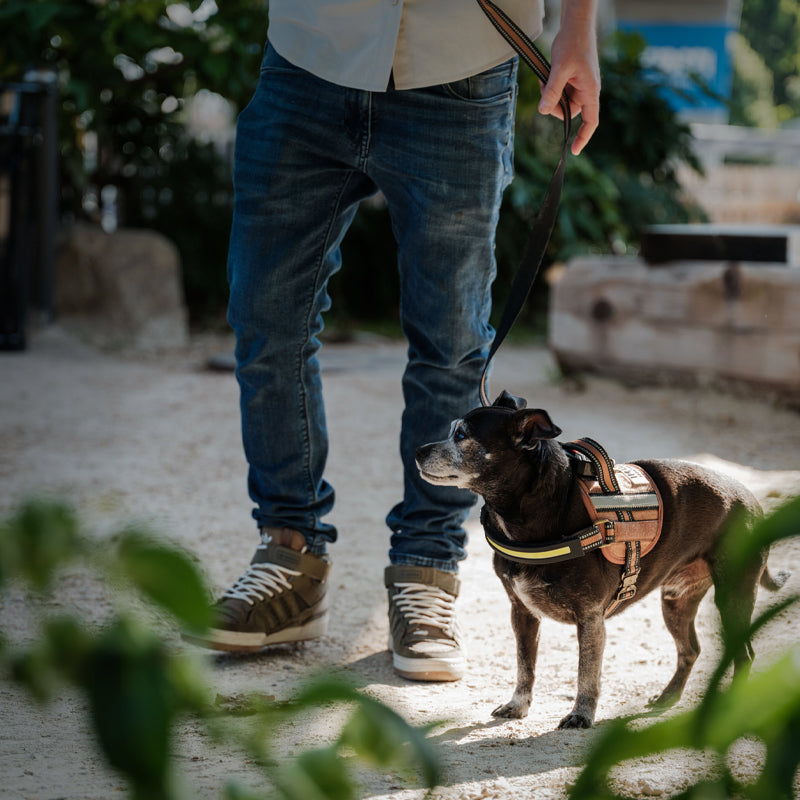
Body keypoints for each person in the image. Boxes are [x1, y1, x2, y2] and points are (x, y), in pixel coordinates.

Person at [186, 0, 600, 682]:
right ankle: (289, 555)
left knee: (451, 344)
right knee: (267, 321)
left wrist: (578, 30)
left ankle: (427, 571)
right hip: (308, 55)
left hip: (463, 65)